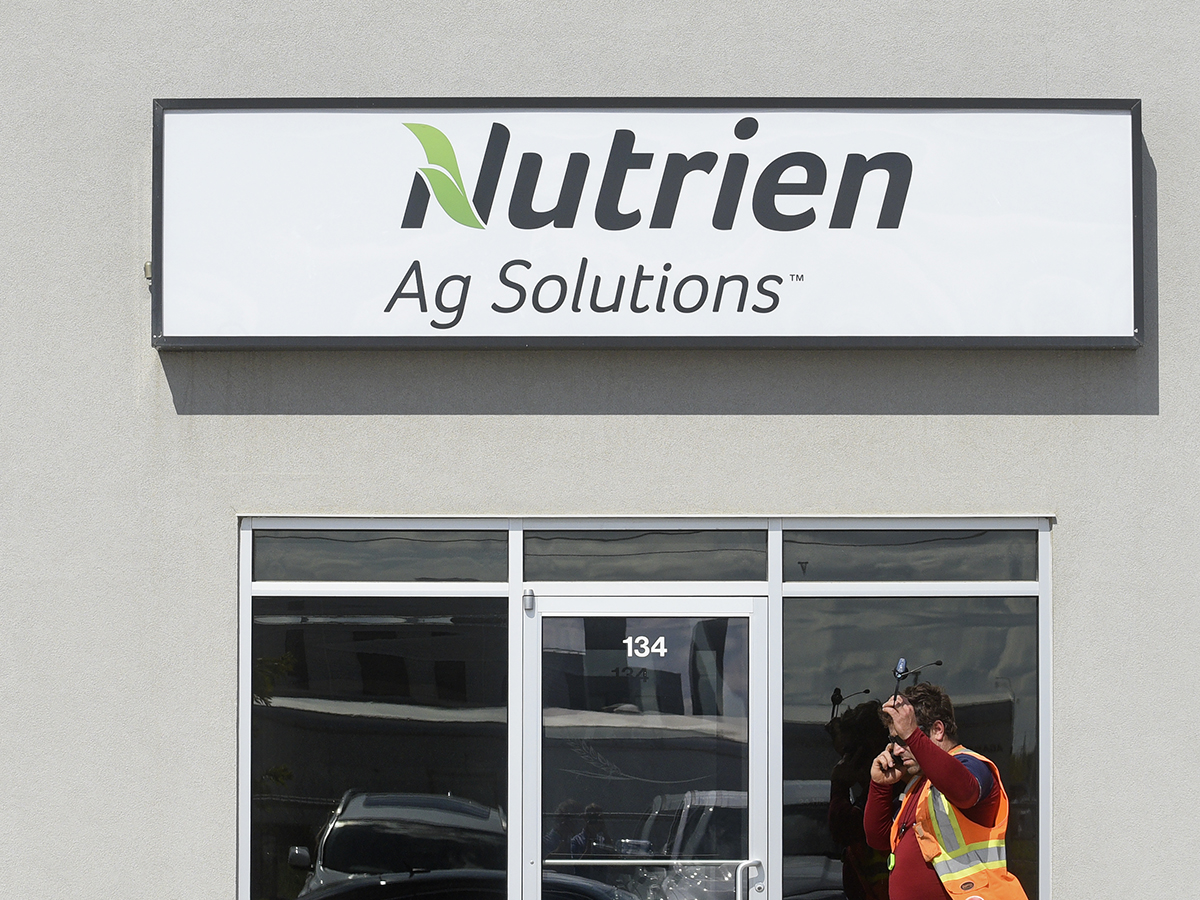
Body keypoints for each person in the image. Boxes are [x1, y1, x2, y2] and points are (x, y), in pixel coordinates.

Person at [863, 684, 1028, 900]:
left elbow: (964, 791)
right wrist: (880, 786)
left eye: (903, 740)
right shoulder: (918, 785)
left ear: (938, 730)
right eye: (894, 741)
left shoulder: (972, 764)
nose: (896, 750)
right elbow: (878, 838)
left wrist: (912, 735)